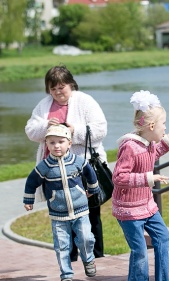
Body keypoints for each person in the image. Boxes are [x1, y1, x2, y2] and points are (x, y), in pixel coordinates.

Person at [112, 90, 169, 281]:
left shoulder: (149, 144)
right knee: (140, 250)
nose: (166, 126)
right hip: (128, 210)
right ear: (152, 127)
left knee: (164, 238)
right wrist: (148, 178)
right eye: (164, 124)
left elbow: (150, 156)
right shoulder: (129, 146)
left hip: (147, 205)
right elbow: (119, 177)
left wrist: (165, 143)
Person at [25, 65, 107, 261]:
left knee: (90, 213)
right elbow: (30, 131)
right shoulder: (44, 106)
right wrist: (46, 126)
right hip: (53, 171)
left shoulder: (85, 101)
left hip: (82, 167)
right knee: (61, 214)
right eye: (53, 89)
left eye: (61, 87)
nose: (57, 92)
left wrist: (74, 130)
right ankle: (70, 257)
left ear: (71, 84)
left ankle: (97, 256)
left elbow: (101, 129)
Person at [23, 124, 100, 281]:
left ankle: (88, 259)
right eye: (52, 142)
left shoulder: (78, 162)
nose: (56, 146)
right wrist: (28, 200)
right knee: (62, 245)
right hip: (58, 214)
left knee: (86, 238)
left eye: (60, 142)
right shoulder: (44, 167)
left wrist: (93, 189)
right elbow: (31, 182)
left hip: (80, 210)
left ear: (69, 143)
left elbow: (90, 173)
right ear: (47, 145)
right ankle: (66, 275)